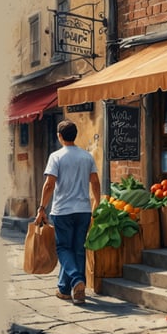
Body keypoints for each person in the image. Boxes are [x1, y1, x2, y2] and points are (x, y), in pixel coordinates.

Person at [35, 119, 101, 305]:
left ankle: (76, 279)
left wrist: (41, 208)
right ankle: (66, 290)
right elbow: (95, 182)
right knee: (78, 248)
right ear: (75, 135)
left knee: (63, 248)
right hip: (83, 210)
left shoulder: (56, 156)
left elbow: (49, 184)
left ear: (59, 136)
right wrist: (97, 202)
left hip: (62, 210)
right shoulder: (87, 157)